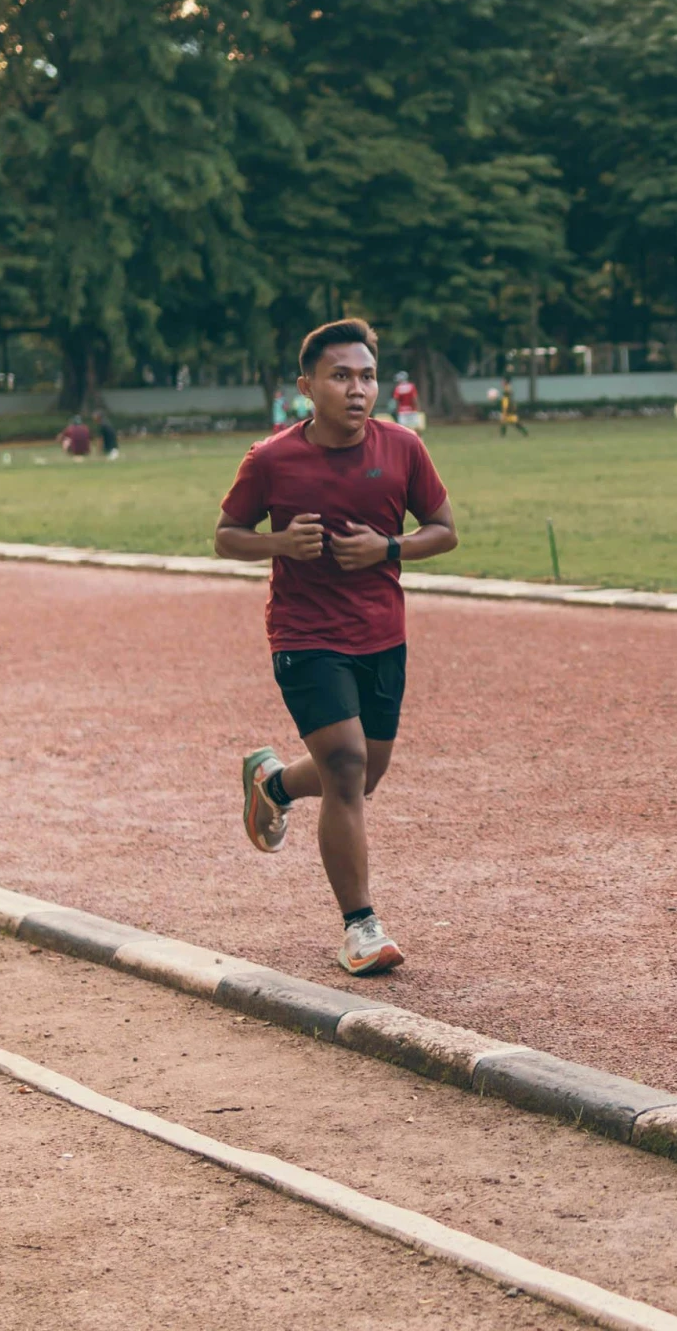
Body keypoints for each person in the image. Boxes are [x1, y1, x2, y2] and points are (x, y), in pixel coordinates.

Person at [218, 318, 457, 977]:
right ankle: (361, 926)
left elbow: (443, 529)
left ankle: (273, 783)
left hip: (382, 634)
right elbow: (226, 534)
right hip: (303, 634)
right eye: (341, 376)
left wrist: (388, 548)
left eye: (367, 376)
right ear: (307, 386)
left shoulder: (403, 448)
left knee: (361, 775)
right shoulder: (270, 459)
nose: (358, 389)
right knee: (347, 765)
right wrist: (277, 543)